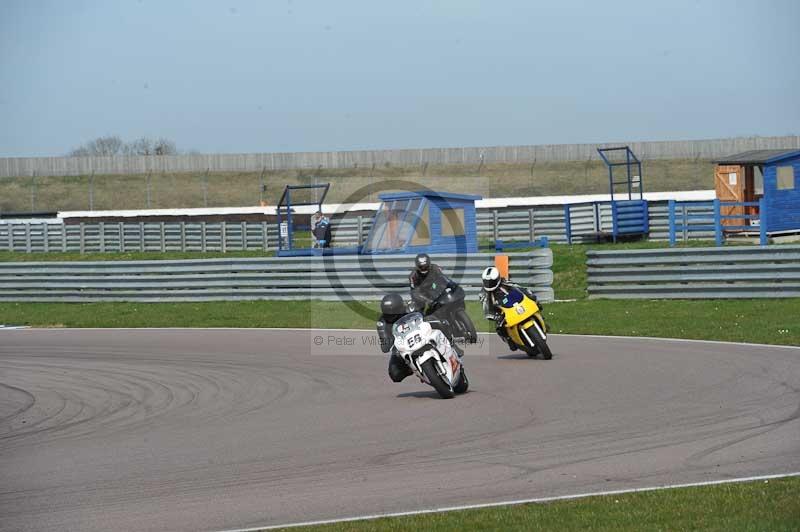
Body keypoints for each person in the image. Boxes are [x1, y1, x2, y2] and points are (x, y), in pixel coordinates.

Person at [376, 293, 462, 383]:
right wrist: (392, 347)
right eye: (388, 314)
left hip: (421, 334)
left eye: (394, 312)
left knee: (440, 323)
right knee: (394, 374)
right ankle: (414, 368)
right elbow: (385, 344)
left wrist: (433, 321)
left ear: (401, 307)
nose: (391, 316)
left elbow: (423, 315)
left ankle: (452, 346)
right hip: (404, 345)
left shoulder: (410, 308)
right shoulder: (382, 323)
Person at [480, 266, 540, 351]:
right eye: (487, 282)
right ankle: (510, 341)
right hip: (500, 312)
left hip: (513, 304)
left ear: (497, 279)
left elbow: (519, 288)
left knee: (535, 302)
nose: (489, 284)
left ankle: (540, 318)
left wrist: (529, 294)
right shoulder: (483, 293)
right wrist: (494, 316)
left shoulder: (505, 282)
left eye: (491, 281)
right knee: (499, 328)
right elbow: (485, 308)